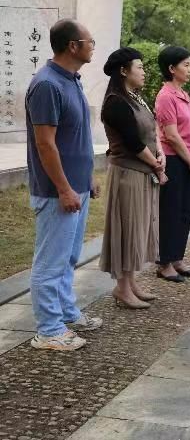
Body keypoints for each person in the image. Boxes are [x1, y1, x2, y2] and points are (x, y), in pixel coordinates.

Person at [25, 19, 103, 351]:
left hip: (76, 186)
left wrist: (86, 178)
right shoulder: (46, 84)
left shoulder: (71, 80)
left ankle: (66, 312)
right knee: (50, 262)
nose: (93, 47)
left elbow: (76, 136)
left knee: (68, 257)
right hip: (57, 192)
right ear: (73, 46)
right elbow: (45, 144)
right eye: (90, 41)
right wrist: (64, 188)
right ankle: (49, 330)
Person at [99, 48, 165, 308]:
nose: (144, 72)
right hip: (128, 175)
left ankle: (131, 283)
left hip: (143, 172)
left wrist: (160, 154)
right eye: (139, 67)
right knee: (128, 230)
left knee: (138, 228)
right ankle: (122, 288)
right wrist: (157, 165)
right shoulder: (116, 102)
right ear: (124, 71)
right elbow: (133, 143)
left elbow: (151, 133)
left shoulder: (135, 98)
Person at [155, 46, 190, 281]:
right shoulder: (165, 96)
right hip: (173, 160)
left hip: (187, 158)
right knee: (170, 212)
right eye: (186, 65)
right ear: (172, 68)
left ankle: (177, 258)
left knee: (184, 210)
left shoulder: (182, 94)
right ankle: (165, 262)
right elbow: (172, 135)